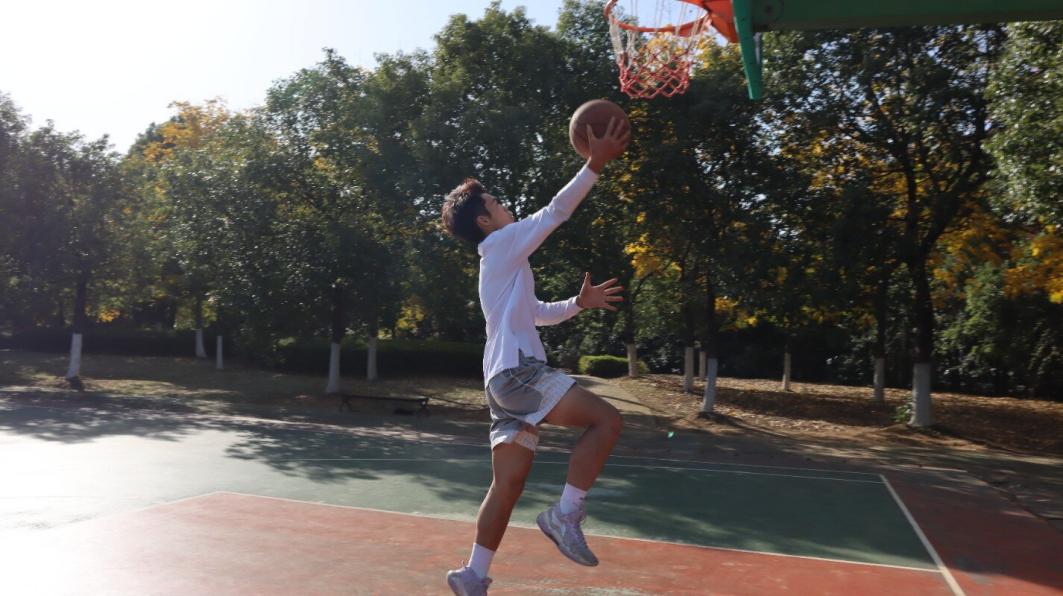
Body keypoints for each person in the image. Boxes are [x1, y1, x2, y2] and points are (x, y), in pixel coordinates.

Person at [439, 118, 631, 595]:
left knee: (507, 486)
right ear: (484, 221)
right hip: (519, 375)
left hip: (500, 385)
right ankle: (566, 514)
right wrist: (593, 165)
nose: (505, 206)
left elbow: (537, 313)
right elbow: (555, 212)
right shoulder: (501, 244)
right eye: (496, 203)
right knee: (606, 421)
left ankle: (473, 575)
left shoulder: (503, 263)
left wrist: (577, 304)